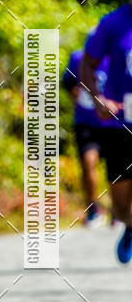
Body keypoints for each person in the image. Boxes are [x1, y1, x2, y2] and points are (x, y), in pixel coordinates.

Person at [82, 0, 132, 262]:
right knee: (121, 203)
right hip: (119, 121)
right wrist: (98, 98)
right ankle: (128, 224)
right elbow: (88, 65)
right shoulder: (112, 23)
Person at [62, 43, 108, 227]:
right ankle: (93, 208)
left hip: (113, 123)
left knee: (117, 170)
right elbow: (67, 82)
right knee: (88, 162)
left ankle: (119, 212)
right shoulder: (77, 57)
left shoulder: (116, 55)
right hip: (86, 122)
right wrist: (79, 103)